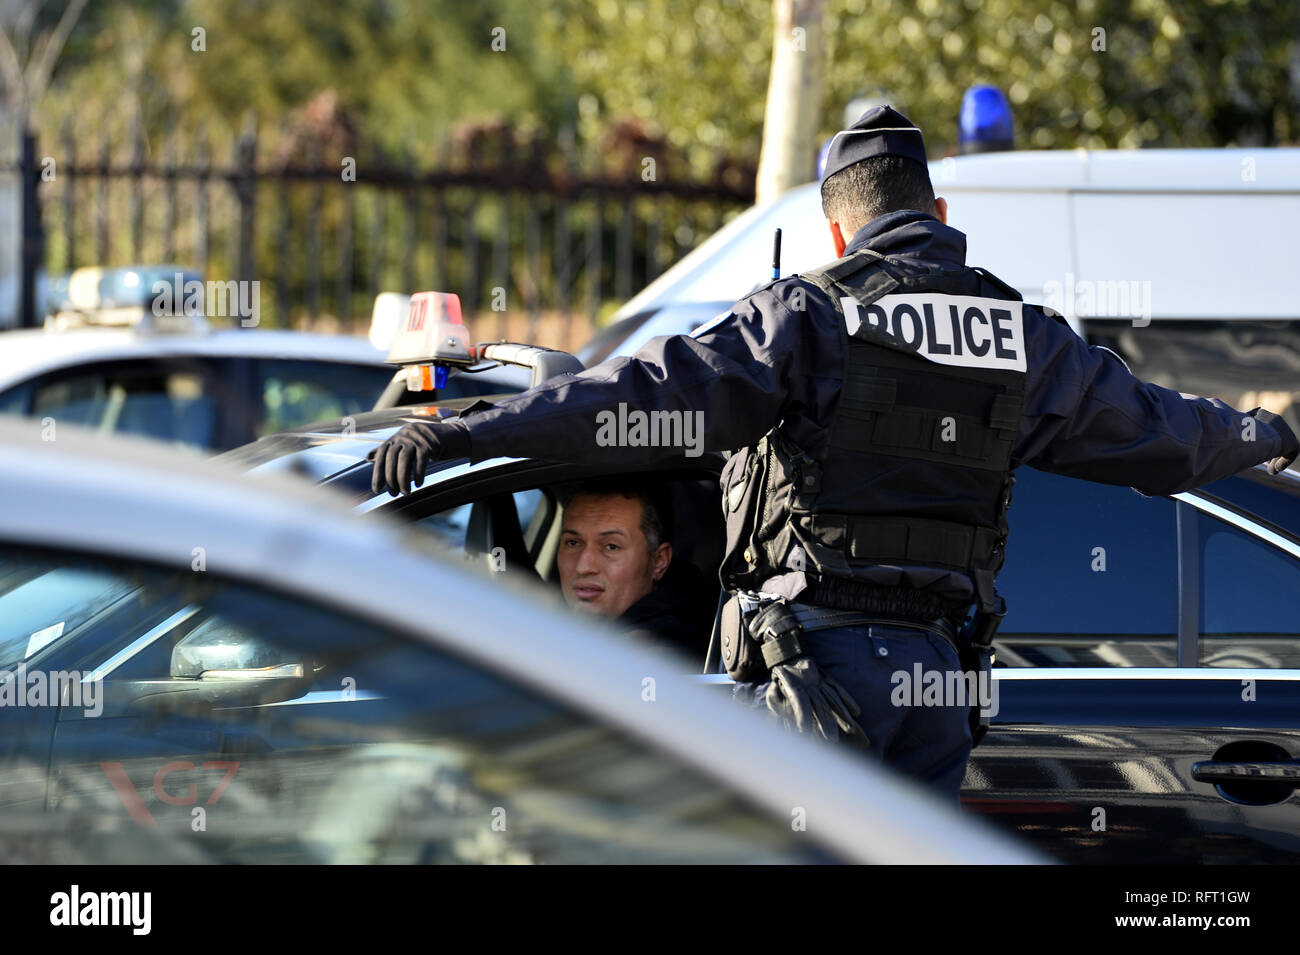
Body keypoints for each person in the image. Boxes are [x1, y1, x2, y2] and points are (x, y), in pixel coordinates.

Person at [369, 106, 1298, 801]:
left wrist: (466, 430)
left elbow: (631, 398)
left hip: (816, 678)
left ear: (838, 232)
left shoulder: (808, 318)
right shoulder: (1027, 339)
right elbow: (1168, 437)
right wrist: (1276, 431)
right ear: (937, 207)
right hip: (937, 683)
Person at [556, 481, 715, 659]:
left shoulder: (659, 656)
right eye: (572, 543)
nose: (583, 567)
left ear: (659, 562)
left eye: (611, 547)